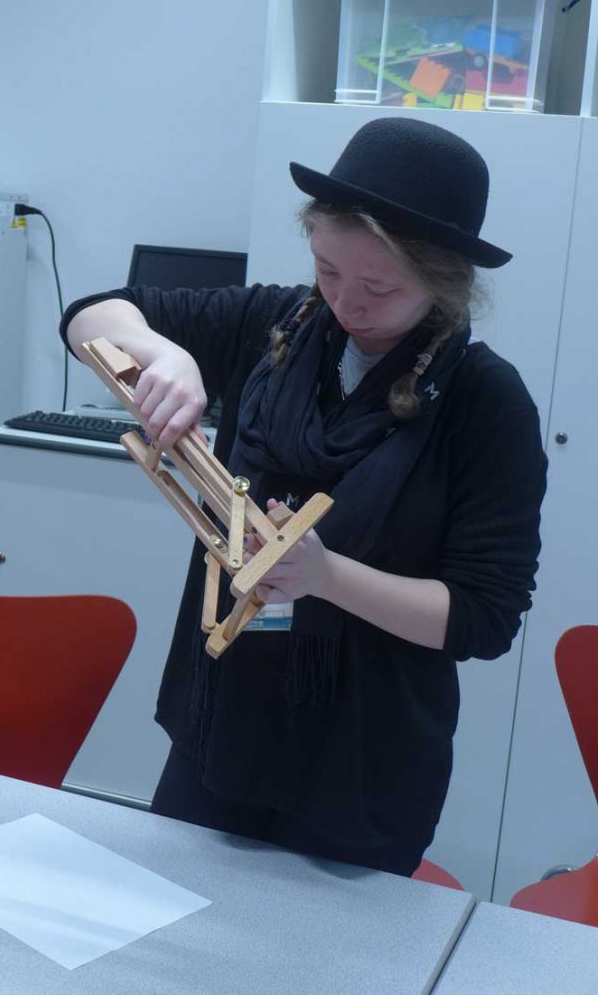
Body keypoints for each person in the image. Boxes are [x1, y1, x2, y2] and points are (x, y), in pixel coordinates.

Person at [61, 117, 547, 876]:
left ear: (445, 282)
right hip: (218, 730)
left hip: (360, 768)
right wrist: (166, 354)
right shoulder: (278, 326)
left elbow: (485, 616)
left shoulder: (486, 403)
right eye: (328, 270)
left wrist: (326, 578)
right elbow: (92, 313)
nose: (346, 303)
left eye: (380, 287)